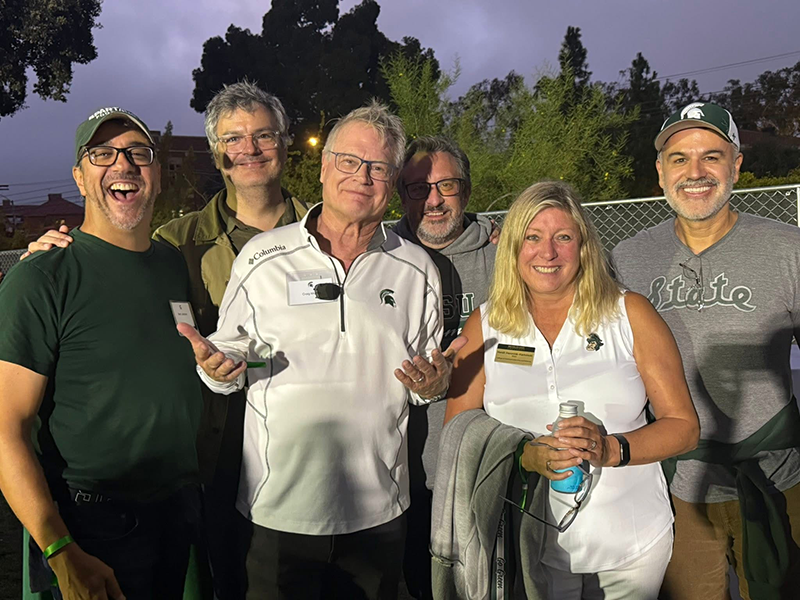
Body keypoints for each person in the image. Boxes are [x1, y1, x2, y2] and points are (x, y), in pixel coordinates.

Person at [22, 82, 309, 599]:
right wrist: (45, 259)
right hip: (187, 478)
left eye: (264, 135)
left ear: (286, 142)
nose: (249, 148)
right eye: (102, 154)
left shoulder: (323, 233)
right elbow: (9, 424)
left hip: (279, 468)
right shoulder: (180, 245)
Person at [178, 101, 463, 600]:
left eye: (378, 166)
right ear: (326, 165)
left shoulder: (418, 269)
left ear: (393, 178)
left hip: (380, 513)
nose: (363, 176)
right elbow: (234, 353)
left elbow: (419, 380)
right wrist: (218, 368)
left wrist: (432, 387)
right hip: (277, 511)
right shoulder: (263, 256)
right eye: (350, 161)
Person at [445, 181, 699, 599]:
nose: (548, 253)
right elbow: (460, 432)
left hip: (630, 543)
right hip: (529, 546)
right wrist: (524, 454)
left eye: (563, 237)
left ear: (584, 247)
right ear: (512, 248)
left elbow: (684, 427)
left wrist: (610, 449)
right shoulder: (485, 325)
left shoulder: (629, 312)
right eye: (533, 237)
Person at [0, 107, 203, 599]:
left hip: (179, 511)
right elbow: (6, 430)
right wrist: (59, 549)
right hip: (91, 523)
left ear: (157, 173)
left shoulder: (172, 263)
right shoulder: (42, 276)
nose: (123, 164)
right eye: (102, 153)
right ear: (79, 176)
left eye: (139, 153)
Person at [611, 102, 800, 600]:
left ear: (736, 165)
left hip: (779, 481)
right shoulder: (627, 258)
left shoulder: (788, 248)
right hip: (679, 488)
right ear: (660, 172)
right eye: (679, 159)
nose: (695, 173)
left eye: (711, 157)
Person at [392, 135, 496, 600]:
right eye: (417, 188)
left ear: (467, 192)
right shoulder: (380, 257)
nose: (433, 200)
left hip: (485, 464)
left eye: (446, 186)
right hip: (405, 470)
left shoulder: (507, 255)